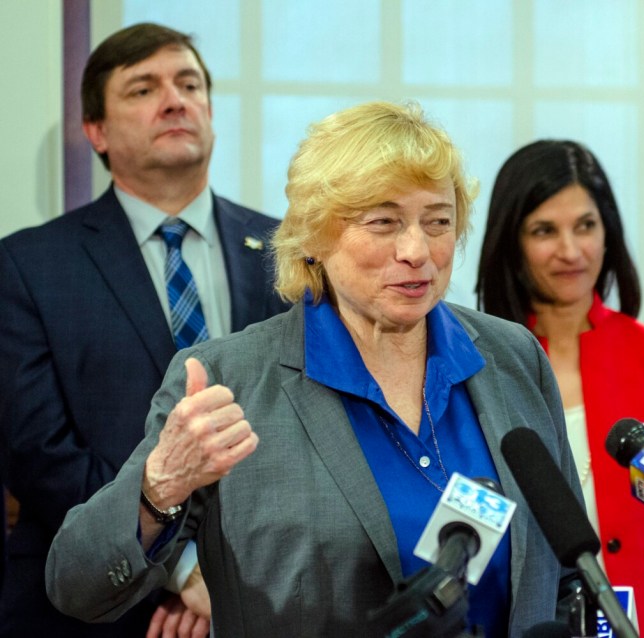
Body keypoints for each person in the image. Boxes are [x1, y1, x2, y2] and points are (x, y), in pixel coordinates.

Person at [46, 101, 583, 638]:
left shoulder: (512, 357)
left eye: (438, 221)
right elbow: (77, 584)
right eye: (384, 222)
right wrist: (159, 488)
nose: (417, 250)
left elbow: (564, 575)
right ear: (315, 237)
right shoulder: (229, 380)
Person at [0, 23, 288, 638]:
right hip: (93, 606)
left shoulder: (289, 252)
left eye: (189, 83)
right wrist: (180, 568)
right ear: (96, 131)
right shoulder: (27, 266)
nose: (175, 99)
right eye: (142, 89)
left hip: (274, 592)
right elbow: (39, 452)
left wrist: (226, 577)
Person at [476, 139, 644, 638]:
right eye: (544, 231)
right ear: (511, 242)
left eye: (586, 225)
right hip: (535, 621)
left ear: (609, 233)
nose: (571, 251)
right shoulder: (477, 363)